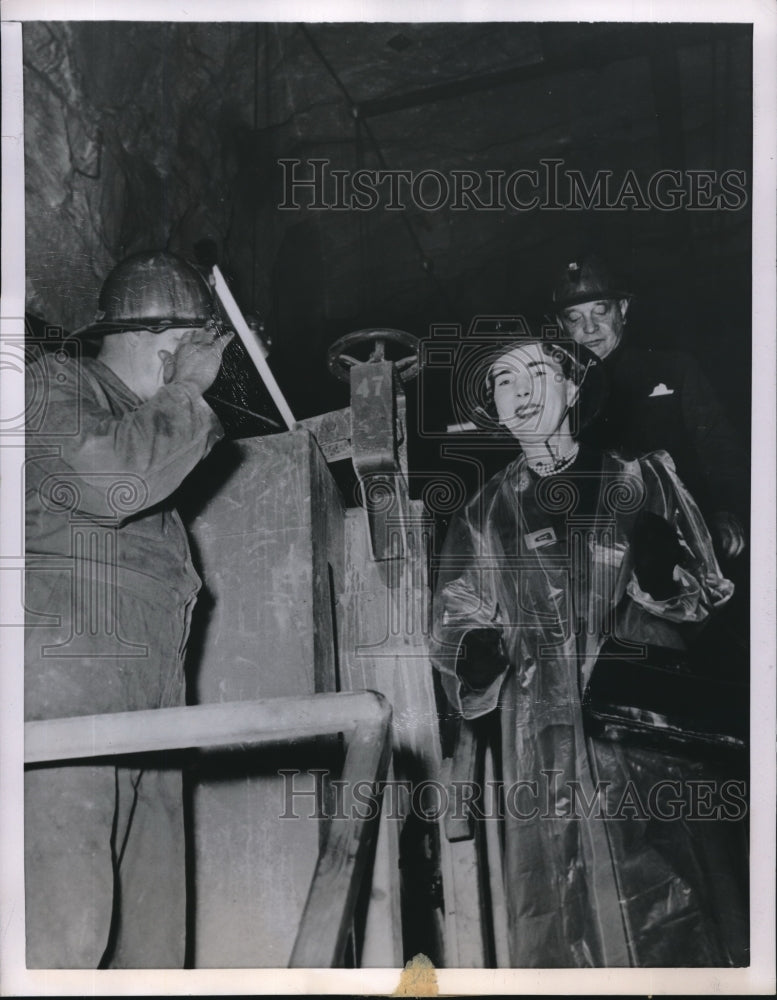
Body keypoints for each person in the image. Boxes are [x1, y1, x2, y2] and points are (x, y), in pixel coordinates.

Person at [430, 336, 748, 967]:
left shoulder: (643, 474)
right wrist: (473, 650)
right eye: (501, 380)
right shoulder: (485, 511)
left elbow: (704, 588)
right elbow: (457, 610)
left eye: (536, 373)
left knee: (680, 881)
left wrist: (662, 579)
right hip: (544, 722)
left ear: (573, 389)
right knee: (562, 891)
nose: (518, 392)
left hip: (646, 714)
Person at [24, 250, 233, 968]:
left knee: (150, 950)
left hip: (146, 711)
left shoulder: (148, 444)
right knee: (61, 931)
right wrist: (189, 391)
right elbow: (110, 480)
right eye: (201, 349)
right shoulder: (50, 385)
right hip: (67, 695)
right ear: (170, 341)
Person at [551, 254, 747, 561]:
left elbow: (722, 452)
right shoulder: (553, 392)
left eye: (600, 311)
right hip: (603, 560)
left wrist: (728, 513)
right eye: (575, 318)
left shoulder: (674, 369)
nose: (590, 328)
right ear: (562, 327)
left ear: (623, 309)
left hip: (689, 543)